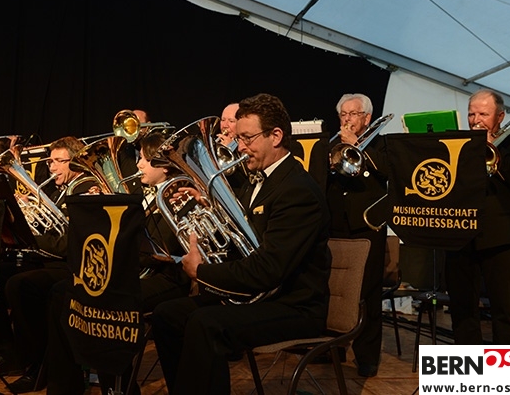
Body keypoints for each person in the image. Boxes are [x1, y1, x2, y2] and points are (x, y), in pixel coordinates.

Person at [150, 92, 331, 395]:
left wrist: (201, 272)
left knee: (206, 324)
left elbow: (269, 269)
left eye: (247, 138)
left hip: (295, 305)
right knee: (167, 315)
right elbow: (241, 241)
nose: (240, 147)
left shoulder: (298, 191)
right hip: (262, 297)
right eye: (239, 138)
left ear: (276, 136)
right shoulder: (255, 180)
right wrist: (209, 208)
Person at [45, 131, 192, 395]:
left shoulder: (179, 197)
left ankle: (120, 387)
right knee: (71, 293)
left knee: (105, 300)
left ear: (164, 165)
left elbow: (161, 250)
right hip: (137, 271)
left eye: (144, 159)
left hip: (167, 277)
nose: (138, 165)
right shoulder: (144, 193)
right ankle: (77, 386)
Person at [0, 136, 92, 393]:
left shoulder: (85, 188)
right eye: (50, 161)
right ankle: (17, 357)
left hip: (71, 263)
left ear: (76, 162)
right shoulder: (56, 190)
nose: (51, 167)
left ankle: (39, 364)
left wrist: (30, 237)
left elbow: (66, 243)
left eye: (58, 161)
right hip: (50, 257)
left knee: (21, 286)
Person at [444, 89, 510, 344]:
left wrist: (494, 149)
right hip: (461, 238)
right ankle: (468, 367)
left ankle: (504, 369)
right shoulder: (458, 147)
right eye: (471, 114)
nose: (476, 120)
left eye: (483, 114)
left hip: (503, 240)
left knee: (505, 313)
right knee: (462, 313)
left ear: (500, 117)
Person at [324, 93, 388, 377]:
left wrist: (358, 146)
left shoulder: (381, 144)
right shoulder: (332, 145)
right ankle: (332, 348)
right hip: (336, 225)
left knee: (368, 293)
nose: (347, 119)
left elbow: (388, 172)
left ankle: (367, 357)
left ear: (367, 118)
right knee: (334, 289)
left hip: (367, 227)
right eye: (344, 114)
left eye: (353, 114)